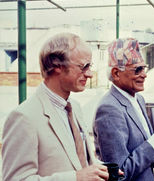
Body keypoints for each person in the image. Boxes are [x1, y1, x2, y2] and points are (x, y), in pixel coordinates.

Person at [2, 33, 109, 181]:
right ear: (57, 65)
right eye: (84, 67)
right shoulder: (24, 117)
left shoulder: (75, 108)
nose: (89, 74)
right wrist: (75, 178)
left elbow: (77, 162)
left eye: (89, 66)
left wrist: (99, 169)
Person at [93, 38, 154, 181]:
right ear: (116, 73)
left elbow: (144, 150)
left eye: (144, 68)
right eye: (138, 70)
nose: (145, 74)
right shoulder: (109, 109)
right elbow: (119, 173)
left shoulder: (138, 99)